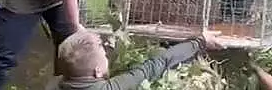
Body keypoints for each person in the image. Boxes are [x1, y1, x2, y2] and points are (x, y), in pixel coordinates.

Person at [49, 29, 225, 90]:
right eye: (104, 56)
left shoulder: (52, 85)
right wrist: (200, 41)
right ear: (97, 71)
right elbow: (155, 65)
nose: (107, 56)